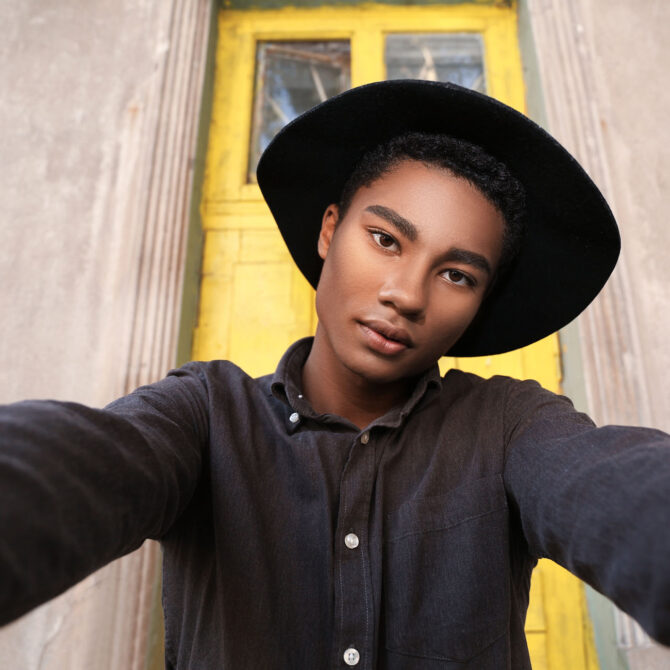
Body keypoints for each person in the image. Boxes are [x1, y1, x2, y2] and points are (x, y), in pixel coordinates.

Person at [0, 80, 668, 669]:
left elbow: (610, 486)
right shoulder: (207, 414)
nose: (406, 293)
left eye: (457, 274)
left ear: (479, 305)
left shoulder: (511, 427)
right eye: (385, 239)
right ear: (329, 231)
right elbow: (81, 464)